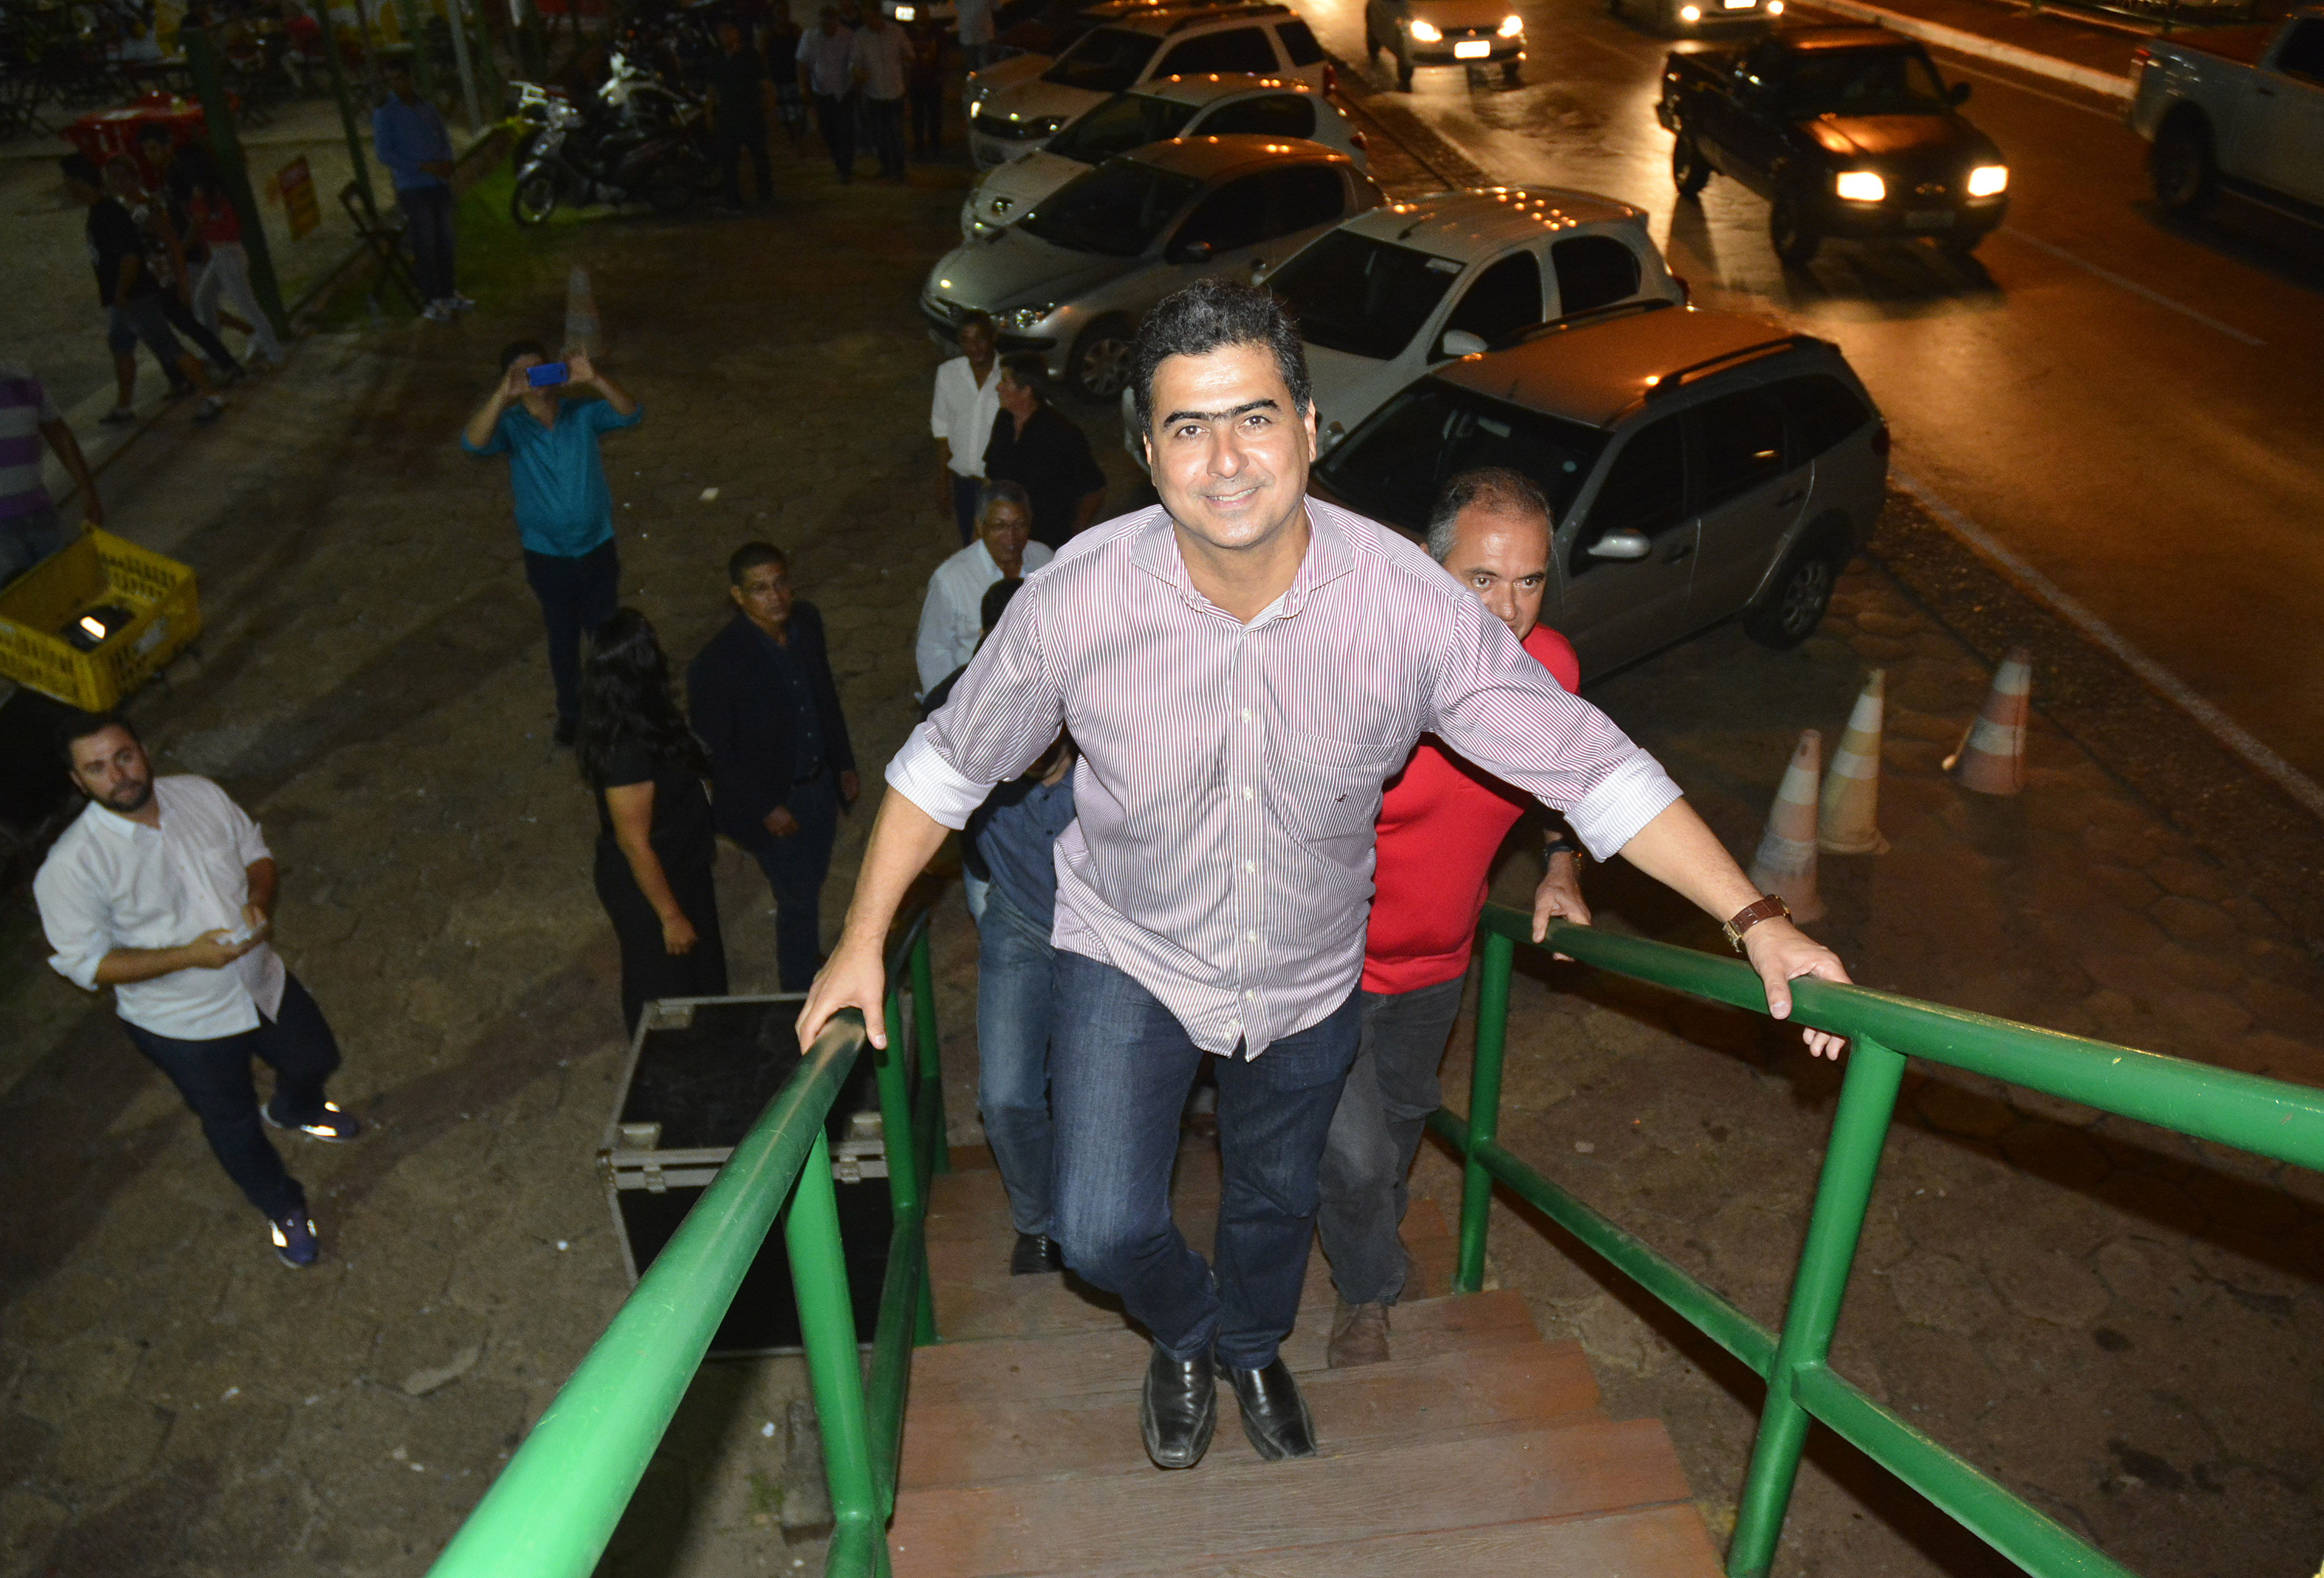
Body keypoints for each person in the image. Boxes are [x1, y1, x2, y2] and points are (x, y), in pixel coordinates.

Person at [793, 278, 1848, 1473]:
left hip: (1307, 974)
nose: (1225, 460)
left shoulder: (1407, 606)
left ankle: (1250, 1347)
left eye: (1253, 418)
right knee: (1096, 1226)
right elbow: (943, 766)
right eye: (1187, 427)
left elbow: (1590, 764)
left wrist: (1754, 916)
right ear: (1147, 452)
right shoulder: (1075, 600)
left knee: (1274, 1199)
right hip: (1130, 953)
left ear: (1306, 427)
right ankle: (1184, 1330)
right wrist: (861, 938)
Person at [1315, 468, 1594, 1369]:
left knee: (1399, 1129)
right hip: (1327, 973)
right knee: (1357, 1156)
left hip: (1440, 966)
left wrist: (1560, 863)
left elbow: (1567, 777)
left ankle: (1356, 1233)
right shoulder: (1366, 677)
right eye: (1482, 579)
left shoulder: (1550, 669)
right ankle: (1367, 1292)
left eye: (1530, 580)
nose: (1508, 611)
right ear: (1429, 573)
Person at [35, 714, 359, 1270]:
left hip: (260, 979)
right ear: (78, 781)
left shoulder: (198, 794)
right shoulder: (71, 867)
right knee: (234, 1126)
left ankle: (295, 1108)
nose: (119, 775)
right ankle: (283, 1208)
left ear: (143, 751)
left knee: (316, 1057)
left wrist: (258, 898)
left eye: (124, 757)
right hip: (183, 1024)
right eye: (97, 768)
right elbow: (87, 964)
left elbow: (254, 851)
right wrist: (189, 956)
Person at [688, 543, 861, 994]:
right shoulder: (718, 663)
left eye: (781, 583)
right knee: (797, 895)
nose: (776, 597)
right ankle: (798, 988)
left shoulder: (806, 623)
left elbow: (824, 696)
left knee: (811, 878)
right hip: (775, 801)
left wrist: (843, 762)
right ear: (738, 596)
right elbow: (717, 752)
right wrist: (765, 807)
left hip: (819, 785)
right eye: (761, 589)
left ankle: (804, 958)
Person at [461, 339, 644, 745]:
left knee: (605, 635)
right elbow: (473, 442)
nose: (538, 379)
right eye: (526, 374)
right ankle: (572, 714)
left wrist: (595, 379)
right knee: (563, 639)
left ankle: (617, 710)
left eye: (542, 369)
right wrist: (502, 396)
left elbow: (631, 414)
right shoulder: (510, 426)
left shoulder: (581, 413)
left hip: (597, 546)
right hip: (547, 555)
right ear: (512, 380)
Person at [580, 609, 730, 1036]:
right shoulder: (626, 752)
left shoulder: (644, 716)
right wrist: (671, 916)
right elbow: (634, 843)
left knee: (701, 973)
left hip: (680, 861)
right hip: (651, 880)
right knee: (662, 985)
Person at [967, 711, 1076, 1277]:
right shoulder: (967, 736)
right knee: (1007, 1095)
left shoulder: (1119, 748)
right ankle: (1038, 1225)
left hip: (1108, 932)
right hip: (1020, 923)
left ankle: (1096, 1218)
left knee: (1092, 1092)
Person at [58, 154, 227, 428]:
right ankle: (124, 407)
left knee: (169, 348)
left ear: (80, 182)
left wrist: (121, 292)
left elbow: (130, 258)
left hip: (134, 298)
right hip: (125, 299)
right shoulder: (105, 210)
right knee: (120, 347)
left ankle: (213, 396)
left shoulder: (107, 215)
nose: (66, 186)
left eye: (68, 180)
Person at [915, 479, 1050, 694]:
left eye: (1020, 524)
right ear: (980, 527)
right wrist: (950, 703)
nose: (1011, 537)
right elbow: (933, 650)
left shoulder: (1045, 559)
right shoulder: (951, 580)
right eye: (999, 526)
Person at [372, 58, 472, 322]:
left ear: (410, 79)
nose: (396, 85)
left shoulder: (427, 108)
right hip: (414, 186)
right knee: (425, 243)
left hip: (438, 183)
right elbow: (385, 154)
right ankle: (431, 300)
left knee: (445, 241)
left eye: (400, 79)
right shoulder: (385, 114)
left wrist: (446, 163)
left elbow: (443, 138)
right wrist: (423, 167)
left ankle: (448, 293)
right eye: (391, 81)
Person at [982, 353, 1104, 552]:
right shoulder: (1005, 419)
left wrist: (1077, 530)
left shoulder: (1062, 434)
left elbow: (1095, 488)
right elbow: (992, 474)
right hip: (1006, 540)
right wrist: (983, 521)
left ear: (1026, 391)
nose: (998, 387)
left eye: (1005, 382)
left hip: (1046, 543)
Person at [0, 362, 103, 586]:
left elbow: (58, 433)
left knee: (66, 592)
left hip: (42, 517)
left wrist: (89, 494)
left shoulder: (23, 381)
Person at [180, 161, 286, 369]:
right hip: (222, 254)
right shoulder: (215, 196)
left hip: (228, 255)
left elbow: (196, 227)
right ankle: (213, 351)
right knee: (203, 299)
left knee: (247, 306)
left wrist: (179, 252)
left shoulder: (206, 199)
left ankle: (276, 354)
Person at [932, 310, 1001, 544]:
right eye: (966, 340)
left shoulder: (1009, 375)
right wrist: (942, 483)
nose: (974, 347)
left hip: (999, 484)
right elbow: (942, 431)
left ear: (993, 337)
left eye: (980, 339)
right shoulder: (948, 374)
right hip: (964, 484)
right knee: (970, 547)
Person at [707, 18, 775, 209]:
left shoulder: (751, 55)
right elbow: (711, 89)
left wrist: (770, 111)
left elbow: (765, 85)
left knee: (760, 157)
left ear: (737, 32)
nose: (726, 35)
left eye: (729, 30)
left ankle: (765, 196)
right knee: (728, 161)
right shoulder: (716, 57)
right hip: (728, 116)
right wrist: (710, 115)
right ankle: (733, 200)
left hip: (751, 114)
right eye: (722, 32)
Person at [850, 3, 913, 183]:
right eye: (866, 19)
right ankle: (886, 166)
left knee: (896, 134)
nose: (869, 22)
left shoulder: (896, 32)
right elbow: (854, 63)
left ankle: (899, 170)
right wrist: (858, 73)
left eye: (871, 18)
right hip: (873, 93)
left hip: (895, 92)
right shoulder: (861, 36)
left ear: (879, 15)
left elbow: (909, 55)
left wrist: (906, 61)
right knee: (879, 135)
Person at [797, 5, 858, 183]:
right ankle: (840, 164)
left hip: (844, 90)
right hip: (822, 92)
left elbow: (855, 60)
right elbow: (802, 63)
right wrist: (804, 88)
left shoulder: (847, 36)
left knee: (846, 132)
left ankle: (846, 169)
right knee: (829, 131)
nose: (829, 25)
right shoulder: (810, 37)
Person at [765, 2, 805, 143]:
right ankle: (792, 139)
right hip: (778, 80)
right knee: (783, 115)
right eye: (779, 12)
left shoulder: (795, 30)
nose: (783, 16)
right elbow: (763, 57)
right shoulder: (768, 33)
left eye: (785, 12)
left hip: (794, 78)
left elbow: (804, 54)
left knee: (798, 114)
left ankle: (798, 140)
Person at [906, 18, 946, 157]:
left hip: (933, 82)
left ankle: (935, 147)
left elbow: (944, 55)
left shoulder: (937, 32)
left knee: (934, 116)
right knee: (918, 117)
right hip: (916, 82)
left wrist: (942, 74)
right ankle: (920, 146)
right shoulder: (909, 33)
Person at [955, 0, 993, 73]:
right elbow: (996, 7)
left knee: (970, 61)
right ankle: (985, 76)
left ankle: (973, 76)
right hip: (985, 29)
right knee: (984, 60)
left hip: (967, 29)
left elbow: (957, 7)